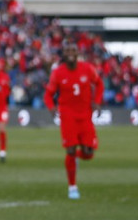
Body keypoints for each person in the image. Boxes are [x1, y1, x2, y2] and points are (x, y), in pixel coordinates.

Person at [44, 40, 104, 200]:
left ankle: (74, 158)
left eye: (73, 50)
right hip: (67, 115)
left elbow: (99, 84)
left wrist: (97, 101)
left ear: (77, 53)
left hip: (85, 115)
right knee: (69, 149)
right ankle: (72, 187)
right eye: (67, 50)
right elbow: (48, 94)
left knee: (89, 153)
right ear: (63, 54)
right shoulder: (58, 73)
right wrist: (51, 107)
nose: (70, 53)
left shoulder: (88, 69)